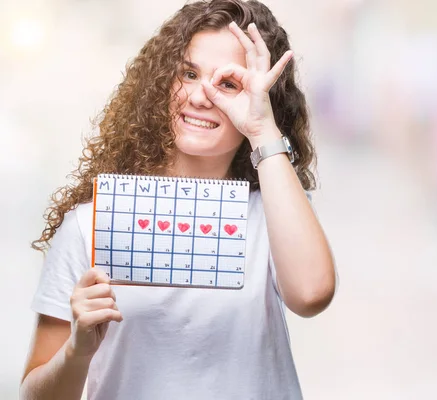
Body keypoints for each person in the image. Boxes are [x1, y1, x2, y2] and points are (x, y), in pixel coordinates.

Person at [20, 0, 337, 399]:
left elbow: (311, 295)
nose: (202, 97)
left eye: (228, 83)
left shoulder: (276, 212)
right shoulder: (90, 223)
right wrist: (77, 351)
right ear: (162, 83)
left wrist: (260, 127)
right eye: (189, 73)